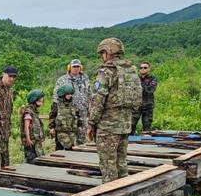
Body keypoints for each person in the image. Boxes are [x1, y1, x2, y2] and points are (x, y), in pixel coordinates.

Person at [88, 38, 142, 182]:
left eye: (102, 53)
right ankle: (125, 195)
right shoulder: (131, 70)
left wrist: (92, 122)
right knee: (122, 163)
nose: (102, 56)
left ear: (107, 52)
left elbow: (98, 99)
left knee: (108, 165)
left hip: (108, 126)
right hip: (125, 124)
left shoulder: (106, 71)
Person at [53, 59, 90, 144]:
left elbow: (89, 93)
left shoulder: (85, 78)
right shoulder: (62, 80)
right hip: (69, 113)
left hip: (83, 112)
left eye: (78, 66)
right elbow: (56, 96)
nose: (76, 68)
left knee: (82, 137)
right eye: (74, 66)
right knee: (69, 138)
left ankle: (80, 153)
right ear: (69, 67)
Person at [0, 65, 17, 166]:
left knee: (5, 160)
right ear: (4, 75)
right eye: (10, 76)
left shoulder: (9, 89)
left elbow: (9, 110)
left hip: (5, 129)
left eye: (14, 77)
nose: (12, 79)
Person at [49, 84, 82, 150]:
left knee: (70, 149)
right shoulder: (57, 104)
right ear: (63, 94)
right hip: (60, 131)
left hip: (71, 131)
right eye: (68, 94)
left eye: (70, 94)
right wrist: (51, 127)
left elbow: (77, 115)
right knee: (59, 149)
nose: (69, 96)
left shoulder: (73, 104)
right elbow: (52, 116)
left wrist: (79, 126)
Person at [20, 89, 46, 163]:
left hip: (36, 141)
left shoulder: (34, 112)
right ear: (34, 101)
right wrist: (28, 139)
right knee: (31, 160)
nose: (41, 103)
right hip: (31, 142)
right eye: (39, 101)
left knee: (39, 159)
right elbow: (26, 127)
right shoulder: (28, 112)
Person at [132, 61, 158, 133]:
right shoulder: (135, 78)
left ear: (149, 69)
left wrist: (139, 84)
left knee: (146, 127)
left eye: (145, 67)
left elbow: (150, 90)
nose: (143, 69)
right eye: (141, 68)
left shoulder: (153, 79)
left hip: (147, 106)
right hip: (136, 105)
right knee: (131, 125)